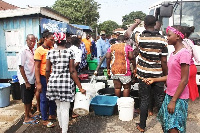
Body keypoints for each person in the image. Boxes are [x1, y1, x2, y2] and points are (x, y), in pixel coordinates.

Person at [144, 25, 191, 133]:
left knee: (174, 127)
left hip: (178, 98)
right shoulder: (174, 53)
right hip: (170, 95)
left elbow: (184, 80)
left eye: (169, 35)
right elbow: (172, 76)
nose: (167, 37)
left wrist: (173, 101)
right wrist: (154, 80)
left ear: (178, 36)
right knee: (166, 124)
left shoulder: (184, 53)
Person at [125, 15, 168, 132]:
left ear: (144, 25)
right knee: (160, 100)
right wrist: (165, 76)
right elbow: (164, 61)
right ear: (155, 25)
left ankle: (142, 126)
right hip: (158, 74)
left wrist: (136, 23)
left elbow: (128, 32)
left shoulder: (140, 37)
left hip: (143, 74)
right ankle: (165, 127)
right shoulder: (163, 39)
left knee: (144, 99)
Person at [45, 32, 86, 133]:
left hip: (53, 82)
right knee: (65, 108)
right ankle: (64, 131)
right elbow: (72, 71)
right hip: (65, 83)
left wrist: (47, 82)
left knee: (58, 106)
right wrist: (80, 87)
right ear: (65, 41)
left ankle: (61, 126)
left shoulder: (50, 53)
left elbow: (47, 70)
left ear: (55, 41)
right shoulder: (69, 52)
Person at [34, 29, 56, 127]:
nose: (53, 42)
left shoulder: (52, 49)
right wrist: (38, 82)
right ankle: (44, 119)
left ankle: (52, 114)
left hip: (52, 77)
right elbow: (37, 67)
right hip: (43, 77)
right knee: (44, 98)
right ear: (45, 39)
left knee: (52, 97)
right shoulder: (39, 51)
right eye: (51, 40)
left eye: (54, 40)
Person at [17, 34, 37, 124]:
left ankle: (29, 113)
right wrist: (26, 82)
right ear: (27, 41)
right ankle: (26, 117)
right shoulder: (23, 51)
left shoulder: (32, 51)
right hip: (26, 79)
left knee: (30, 97)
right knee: (26, 99)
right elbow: (21, 67)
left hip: (31, 78)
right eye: (30, 40)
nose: (32, 43)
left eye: (34, 41)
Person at [182, 26, 200, 101]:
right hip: (192, 67)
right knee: (189, 89)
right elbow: (196, 57)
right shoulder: (190, 42)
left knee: (182, 91)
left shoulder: (181, 42)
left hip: (185, 68)